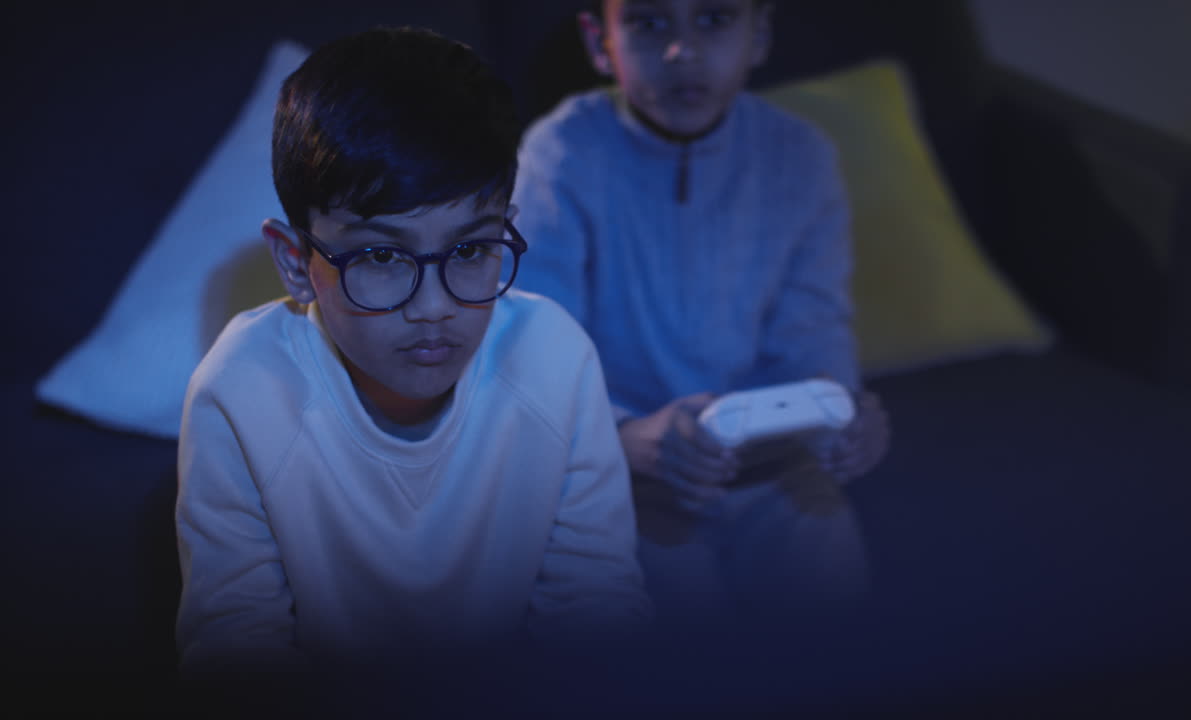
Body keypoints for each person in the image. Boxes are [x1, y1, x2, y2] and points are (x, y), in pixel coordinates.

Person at [174, 26, 653, 685]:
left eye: (470, 250)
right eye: (378, 256)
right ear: (294, 261)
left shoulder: (554, 358)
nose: (433, 306)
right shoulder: (241, 391)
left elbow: (596, 614)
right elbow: (236, 650)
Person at [511, 0, 891, 634]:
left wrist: (839, 411)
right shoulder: (562, 156)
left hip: (772, 464)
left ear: (759, 32)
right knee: (669, 617)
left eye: (714, 19)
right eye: (649, 23)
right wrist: (624, 439)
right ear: (600, 42)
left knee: (829, 593)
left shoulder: (800, 156)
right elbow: (529, 356)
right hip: (618, 469)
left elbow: (814, 329)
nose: (682, 51)